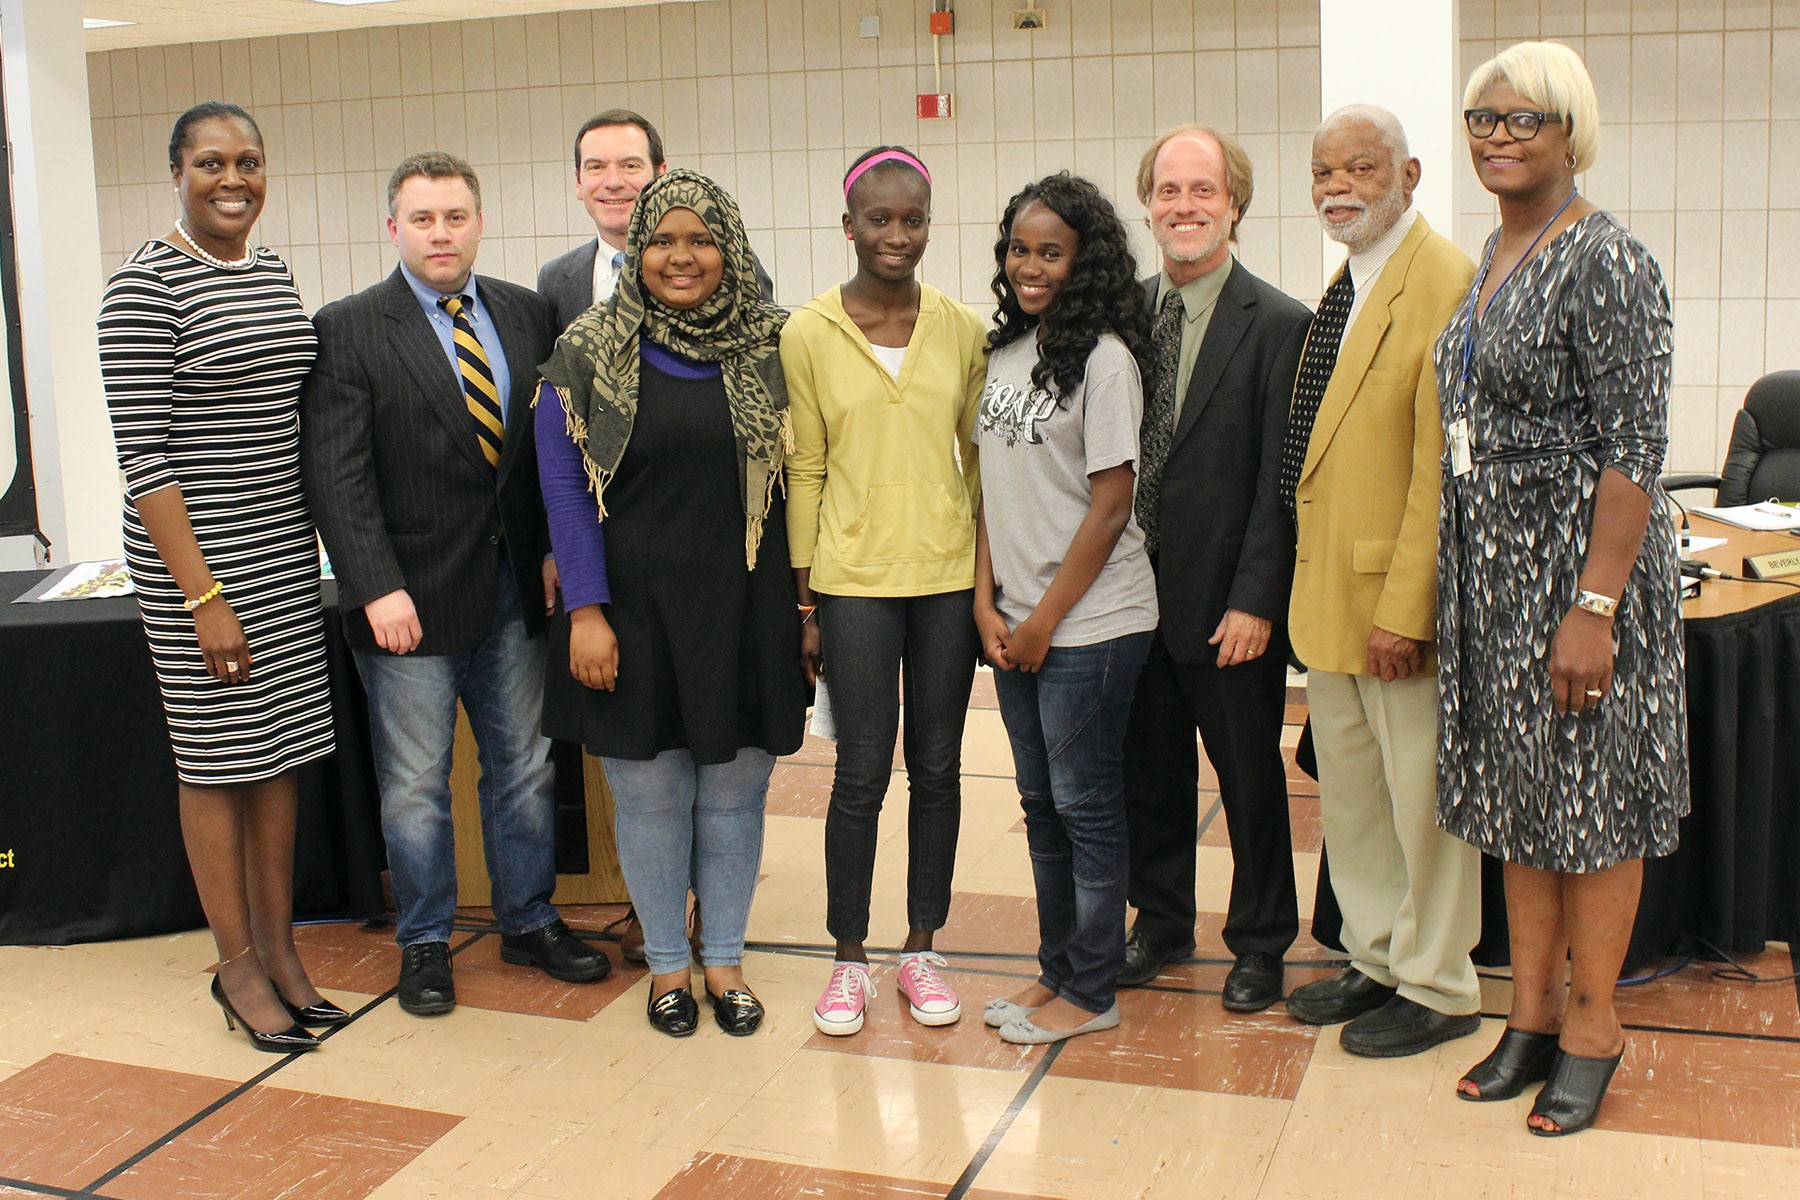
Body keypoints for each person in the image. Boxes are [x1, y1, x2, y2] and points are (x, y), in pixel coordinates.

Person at [1437, 41, 1687, 1136]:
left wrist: (1593, 609)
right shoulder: (1491, 253)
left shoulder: (1606, 259)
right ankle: (1529, 1017)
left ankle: (1594, 1028)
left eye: (1523, 119)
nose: (1498, 135)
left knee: (1594, 805)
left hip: (1579, 580)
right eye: (1482, 118)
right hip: (1491, 579)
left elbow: (1635, 447)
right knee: (1520, 806)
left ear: (1570, 130)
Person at [301, 151, 610, 1018]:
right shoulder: (350, 327)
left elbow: (550, 452)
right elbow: (337, 478)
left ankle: (527, 918)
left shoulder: (524, 313)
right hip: (407, 602)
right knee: (414, 784)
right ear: (393, 228)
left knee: (524, 770)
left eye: (457, 217)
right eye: (423, 219)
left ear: (480, 222)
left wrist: (555, 550)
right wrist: (373, 587)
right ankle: (427, 941)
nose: (442, 233)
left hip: (518, 593)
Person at [535, 168, 806, 1039]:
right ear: (636, 251)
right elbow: (566, 493)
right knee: (651, 800)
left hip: (748, 606)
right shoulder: (585, 350)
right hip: (631, 615)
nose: (681, 257)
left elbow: (809, 479)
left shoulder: (776, 344)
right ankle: (664, 967)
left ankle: (722, 956)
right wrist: (586, 610)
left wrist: (808, 611)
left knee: (732, 797)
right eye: (662, 240)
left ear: (729, 247)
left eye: (701, 239)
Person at [98, 101, 337, 1053]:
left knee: (277, 759)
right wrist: (204, 597)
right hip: (198, 566)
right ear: (177, 173)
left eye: (247, 162)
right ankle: (235, 965)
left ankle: (282, 951)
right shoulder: (142, 290)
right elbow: (145, 462)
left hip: (281, 555)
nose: (232, 179)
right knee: (216, 760)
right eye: (210, 163)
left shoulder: (270, 272)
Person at [1281, 106, 1484, 1057]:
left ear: (1407, 173)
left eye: (1360, 167)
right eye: (1325, 171)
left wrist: (1410, 610)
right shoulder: (1352, 280)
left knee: (1421, 807)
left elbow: (1442, 470)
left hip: (1396, 609)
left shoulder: (1440, 278)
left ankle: (1441, 984)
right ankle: (1374, 958)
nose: (1338, 187)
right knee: (1356, 804)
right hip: (1330, 598)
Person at [783, 146, 988, 1037]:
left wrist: (988, 584)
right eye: (880, 219)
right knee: (861, 774)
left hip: (945, 582)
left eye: (912, 219)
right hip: (854, 586)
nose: (896, 235)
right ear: (849, 226)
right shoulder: (807, 332)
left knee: (938, 771)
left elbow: (981, 467)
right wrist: (805, 605)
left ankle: (921, 947)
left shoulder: (962, 328)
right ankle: (848, 960)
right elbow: (807, 467)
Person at [1118, 125, 1311, 1012]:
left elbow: (1284, 481)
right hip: (1127, 601)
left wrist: (1257, 602)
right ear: (1147, 204)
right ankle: (1158, 921)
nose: (1183, 207)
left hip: (1227, 607)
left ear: (1234, 204)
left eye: (1202, 191)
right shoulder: (1122, 317)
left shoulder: (1280, 325)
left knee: (1248, 782)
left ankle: (1261, 942)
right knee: (1145, 773)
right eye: (1168, 191)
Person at [975, 172, 1158, 1046]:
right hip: (1014, 622)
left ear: (1084, 259)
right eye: (1019, 248)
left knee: (1084, 805)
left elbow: (1112, 502)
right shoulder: (1004, 351)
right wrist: (987, 602)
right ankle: (1059, 973)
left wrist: (1045, 618)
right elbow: (990, 490)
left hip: (1092, 624)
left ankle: (1091, 988)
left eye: (1051, 251)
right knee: (1040, 805)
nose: (1030, 265)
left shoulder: (1106, 358)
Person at [537, 109, 774, 331]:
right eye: (596, 167)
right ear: (578, 182)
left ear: (660, 175)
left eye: (630, 166)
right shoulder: (556, 279)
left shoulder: (728, 263)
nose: (613, 182)